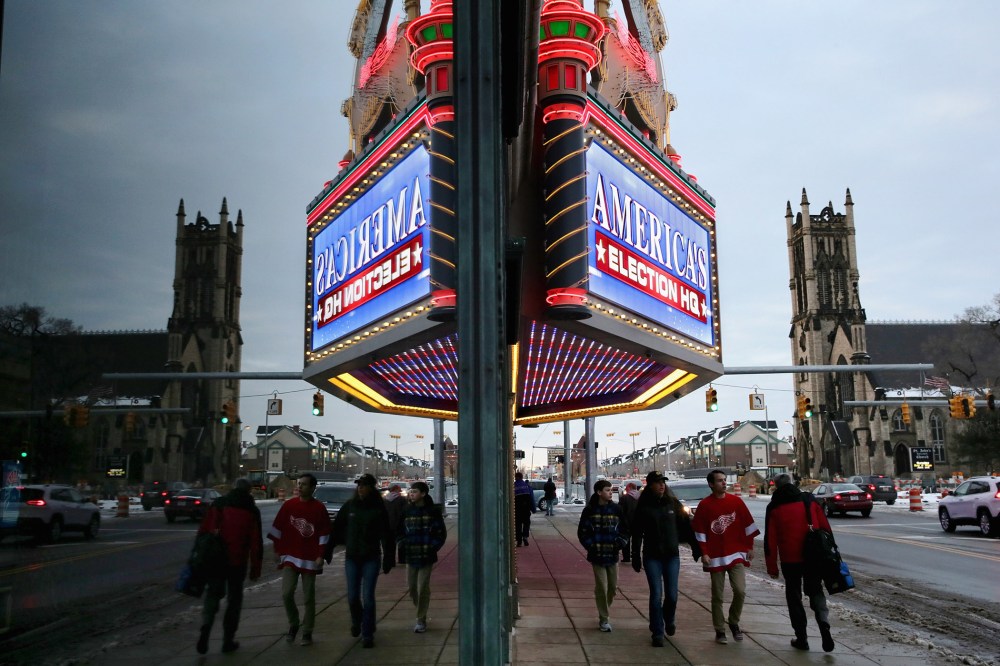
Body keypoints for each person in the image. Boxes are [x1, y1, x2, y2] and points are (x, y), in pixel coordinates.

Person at [764, 473, 835, 652]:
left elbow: (770, 540)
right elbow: (825, 527)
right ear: (793, 483)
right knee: (816, 590)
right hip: (813, 556)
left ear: (776, 486)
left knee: (794, 596)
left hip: (790, 559)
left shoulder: (774, 507)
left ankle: (802, 638)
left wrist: (771, 566)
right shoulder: (809, 500)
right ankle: (824, 624)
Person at [630, 471, 701, 647]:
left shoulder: (673, 504)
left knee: (672, 594)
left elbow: (686, 527)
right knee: (656, 594)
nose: (662, 485)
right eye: (658, 482)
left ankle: (669, 619)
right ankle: (657, 631)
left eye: (663, 482)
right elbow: (637, 533)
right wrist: (635, 556)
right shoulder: (643, 507)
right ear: (650, 485)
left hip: (671, 556)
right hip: (652, 556)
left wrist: (695, 547)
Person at [691, 469, 760, 645]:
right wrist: (704, 552)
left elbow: (747, 524)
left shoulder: (736, 502)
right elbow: (700, 532)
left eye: (724, 480)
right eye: (720, 481)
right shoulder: (705, 506)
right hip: (715, 555)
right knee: (718, 595)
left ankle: (734, 622)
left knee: (740, 591)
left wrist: (749, 547)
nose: (724, 483)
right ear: (711, 484)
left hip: (736, 553)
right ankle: (720, 629)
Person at [327, 473, 396, 648]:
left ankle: (367, 633)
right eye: (359, 485)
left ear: (371, 488)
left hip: (371, 557)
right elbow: (337, 529)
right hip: (352, 557)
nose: (360, 488)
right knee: (352, 596)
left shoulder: (378, 509)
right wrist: (328, 550)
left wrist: (388, 557)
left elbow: (386, 535)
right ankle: (357, 621)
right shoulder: (350, 507)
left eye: (364, 485)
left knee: (368, 596)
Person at [196, 478, 262, 655]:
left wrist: (198, 555)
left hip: (216, 559)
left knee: (212, 595)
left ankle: (206, 626)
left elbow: (204, 530)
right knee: (234, 600)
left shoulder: (219, 504)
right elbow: (255, 542)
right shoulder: (251, 510)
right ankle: (227, 639)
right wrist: (256, 568)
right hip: (237, 561)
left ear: (233, 488)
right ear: (249, 491)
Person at [268, 473, 331, 647]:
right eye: (299, 484)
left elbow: (324, 534)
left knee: (308, 597)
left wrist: (320, 554)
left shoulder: (319, 508)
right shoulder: (289, 506)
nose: (300, 487)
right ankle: (294, 623)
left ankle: (307, 631)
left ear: (312, 488)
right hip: (290, 556)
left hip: (310, 558)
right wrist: (277, 550)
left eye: (304, 484)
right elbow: (278, 528)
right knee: (287, 593)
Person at [577, 479, 628, 632]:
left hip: (612, 555)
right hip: (597, 555)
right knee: (602, 586)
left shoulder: (617, 509)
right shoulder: (590, 510)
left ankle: (604, 609)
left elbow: (625, 529)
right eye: (607, 490)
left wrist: (620, 542)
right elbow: (582, 532)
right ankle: (604, 618)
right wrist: (591, 545)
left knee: (612, 588)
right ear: (599, 492)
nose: (610, 492)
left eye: (611, 490)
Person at [397, 481, 447, 633]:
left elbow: (441, 533)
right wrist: (402, 542)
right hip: (411, 554)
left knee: (422, 587)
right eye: (411, 491)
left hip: (426, 555)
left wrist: (432, 546)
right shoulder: (406, 511)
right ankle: (421, 610)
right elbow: (399, 530)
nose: (411, 494)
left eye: (415, 491)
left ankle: (421, 619)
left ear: (423, 494)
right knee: (412, 588)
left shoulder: (432, 512)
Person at [618, 481, 640, 562]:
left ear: (629, 488)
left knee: (626, 541)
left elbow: (620, 511)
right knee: (636, 542)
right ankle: (636, 557)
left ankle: (626, 557)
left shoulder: (624, 498)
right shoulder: (641, 497)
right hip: (638, 524)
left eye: (627, 488)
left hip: (626, 523)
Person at [513, 472, 535, 546]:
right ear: (522, 477)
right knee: (526, 523)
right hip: (526, 509)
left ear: (516, 477)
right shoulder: (527, 486)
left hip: (517, 509)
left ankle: (519, 540)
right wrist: (533, 509)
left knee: (518, 524)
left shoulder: (513, 486)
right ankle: (525, 537)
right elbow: (532, 498)